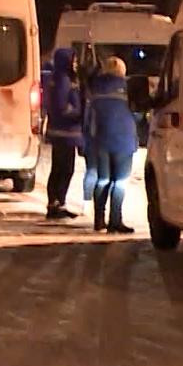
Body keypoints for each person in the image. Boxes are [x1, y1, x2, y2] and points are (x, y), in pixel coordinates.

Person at [84, 55, 139, 234]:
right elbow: (137, 113)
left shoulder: (95, 87)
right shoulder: (129, 88)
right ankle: (116, 220)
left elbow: (88, 115)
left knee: (103, 180)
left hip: (101, 139)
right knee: (120, 182)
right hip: (124, 139)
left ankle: (99, 219)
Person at [42, 46, 83, 220]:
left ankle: (56, 202)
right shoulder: (63, 80)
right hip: (66, 132)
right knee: (65, 169)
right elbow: (62, 107)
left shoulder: (57, 78)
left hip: (61, 132)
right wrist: (77, 112)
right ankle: (57, 203)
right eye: (73, 60)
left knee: (59, 168)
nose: (75, 64)